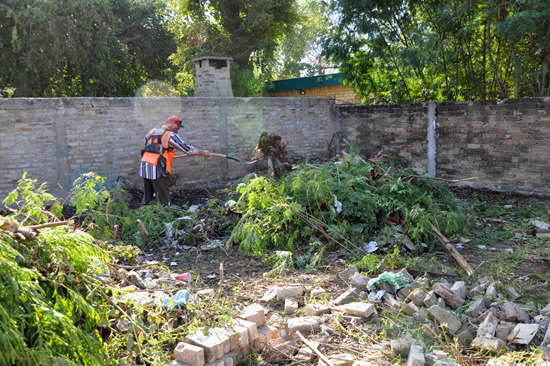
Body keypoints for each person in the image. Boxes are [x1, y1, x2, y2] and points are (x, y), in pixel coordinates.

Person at [140, 116, 210, 205]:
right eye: (178, 126)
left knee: (148, 195)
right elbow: (188, 150)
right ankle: (166, 216)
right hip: (158, 167)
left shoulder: (151, 131)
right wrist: (203, 152)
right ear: (173, 125)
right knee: (164, 198)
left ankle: (142, 214)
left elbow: (149, 147)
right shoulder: (171, 135)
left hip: (145, 165)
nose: (178, 129)